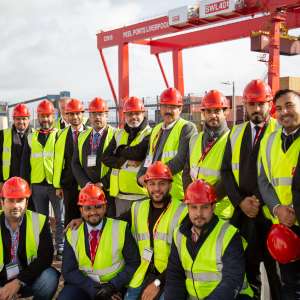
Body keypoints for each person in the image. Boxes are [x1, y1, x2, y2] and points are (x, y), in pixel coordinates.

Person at [221, 79, 280, 299]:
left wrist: (260, 202)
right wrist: (240, 202)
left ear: (269, 104)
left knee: (276, 273)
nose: (256, 109)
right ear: (245, 105)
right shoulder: (235, 133)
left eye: (261, 104)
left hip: (270, 214)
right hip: (243, 213)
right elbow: (226, 171)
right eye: (252, 104)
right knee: (247, 267)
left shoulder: (279, 131)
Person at [165, 179, 253, 300]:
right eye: (194, 207)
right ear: (187, 208)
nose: (199, 213)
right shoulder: (178, 235)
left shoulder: (229, 234)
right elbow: (174, 277)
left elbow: (231, 280)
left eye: (204, 207)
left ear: (213, 206)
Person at [58, 184, 140, 300]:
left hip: (113, 286)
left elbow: (133, 263)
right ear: (81, 210)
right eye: (88, 208)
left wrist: (111, 287)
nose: (93, 212)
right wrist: (95, 290)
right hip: (84, 285)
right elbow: (68, 270)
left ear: (105, 207)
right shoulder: (73, 233)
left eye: (98, 207)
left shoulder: (121, 228)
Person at [123, 161, 187, 300]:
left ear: (170, 185)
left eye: (162, 183)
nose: (157, 189)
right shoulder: (137, 207)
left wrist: (158, 283)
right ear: (146, 185)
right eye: (152, 184)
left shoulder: (183, 212)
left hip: (171, 276)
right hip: (143, 273)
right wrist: (83, 219)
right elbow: (112, 223)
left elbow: (183, 258)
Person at [258, 89, 300, 299]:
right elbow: (263, 181)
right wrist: (277, 209)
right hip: (281, 227)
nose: (284, 112)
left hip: (297, 220)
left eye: (290, 105)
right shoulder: (268, 142)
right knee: (289, 285)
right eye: (280, 108)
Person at [0, 177, 59, 300]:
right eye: (10, 200)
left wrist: (18, 282)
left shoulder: (40, 221)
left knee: (50, 277)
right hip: (1, 279)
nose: (15, 205)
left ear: (26, 203)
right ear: (2, 202)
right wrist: (4, 290)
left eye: (20, 200)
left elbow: (45, 257)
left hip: (27, 278)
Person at [21, 99, 64, 260]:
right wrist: (26, 187)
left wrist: (62, 184)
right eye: (42, 116)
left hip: (55, 185)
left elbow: (64, 161)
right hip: (37, 185)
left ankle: (60, 247)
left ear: (53, 116)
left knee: (60, 218)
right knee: (41, 219)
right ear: (37, 117)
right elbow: (25, 164)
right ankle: (44, 248)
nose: (45, 119)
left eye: (48, 116)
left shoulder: (59, 135)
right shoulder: (31, 137)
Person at [138, 87, 197, 201]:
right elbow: (148, 157)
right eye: (164, 106)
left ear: (180, 109)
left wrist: (152, 177)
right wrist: (140, 175)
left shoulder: (187, 128)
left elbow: (180, 161)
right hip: (154, 194)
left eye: (172, 107)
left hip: (175, 194)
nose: (167, 110)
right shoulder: (156, 129)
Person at [184, 90, 233, 219]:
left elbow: (229, 177)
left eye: (217, 111)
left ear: (225, 112)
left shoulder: (232, 140)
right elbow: (187, 171)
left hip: (220, 213)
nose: (213, 115)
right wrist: (191, 197)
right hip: (196, 212)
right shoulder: (194, 139)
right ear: (203, 113)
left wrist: (207, 200)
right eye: (209, 111)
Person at [102, 96, 151, 216]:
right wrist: (125, 163)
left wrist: (119, 150)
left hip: (141, 195)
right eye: (129, 114)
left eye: (137, 113)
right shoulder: (119, 134)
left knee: (142, 232)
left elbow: (138, 154)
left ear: (143, 113)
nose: (133, 117)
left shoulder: (151, 133)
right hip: (120, 196)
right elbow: (105, 158)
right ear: (125, 115)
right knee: (122, 232)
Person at [72, 97, 115, 216]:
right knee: (90, 223)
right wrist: (86, 184)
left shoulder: (115, 135)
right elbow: (75, 163)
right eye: (94, 114)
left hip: (108, 191)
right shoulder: (82, 136)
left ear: (107, 115)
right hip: (87, 192)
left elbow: (118, 164)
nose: (97, 117)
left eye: (100, 114)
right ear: (89, 116)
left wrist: (103, 184)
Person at [53, 98, 87, 226]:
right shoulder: (61, 135)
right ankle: (70, 245)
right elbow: (57, 162)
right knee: (69, 218)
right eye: (71, 114)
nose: (75, 117)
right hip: (69, 186)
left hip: (86, 183)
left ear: (82, 114)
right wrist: (58, 186)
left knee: (87, 217)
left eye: (78, 113)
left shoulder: (90, 133)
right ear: (66, 115)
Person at [0, 104, 31, 186]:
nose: (21, 121)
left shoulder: (35, 135)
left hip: (29, 183)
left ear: (29, 120)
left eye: (24, 118)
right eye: (18, 119)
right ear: (13, 119)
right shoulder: (3, 135)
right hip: (8, 182)